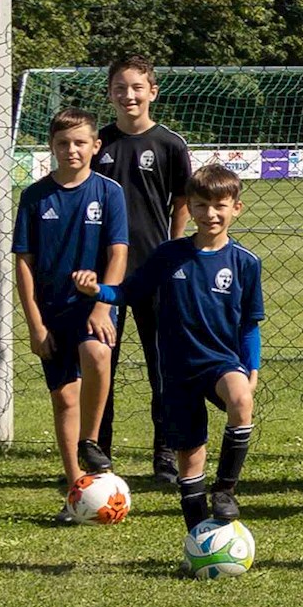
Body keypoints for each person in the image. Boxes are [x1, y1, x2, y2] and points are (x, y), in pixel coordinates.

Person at [126, 167, 264, 537]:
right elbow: (128, 291)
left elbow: (250, 324)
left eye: (219, 206)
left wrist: (252, 367)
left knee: (240, 399)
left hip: (221, 361)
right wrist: (97, 293)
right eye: (201, 206)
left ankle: (225, 489)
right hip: (177, 369)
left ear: (237, 208)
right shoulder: (169, 255)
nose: (210, 214)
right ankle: (199, 536)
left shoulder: (246, 263)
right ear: (189, 208)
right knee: (191, 457)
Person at [11, 110, 133, 521]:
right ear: (52, 147)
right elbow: (24, 264)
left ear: (95, 146)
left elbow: (119, 253)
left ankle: (92, 440)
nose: (72, 150)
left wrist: (103, 302)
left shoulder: (109, 192)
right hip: (51, 311)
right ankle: (75, 489)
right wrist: (35, 324)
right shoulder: (34, 196)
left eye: (80, 143)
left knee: (98, 355)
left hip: (92, 306)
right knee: (64, 397)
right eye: (63, 143)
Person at [89, 58, 198, 476]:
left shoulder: (169, 144)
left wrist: (170, 249)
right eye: (120, 87)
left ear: (152, 91)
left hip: (154, 272)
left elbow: (182, 200)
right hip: (105, 275)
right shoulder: (99, 143)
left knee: (163, 366)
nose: (128, 95)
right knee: (101, 363)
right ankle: (99, 452)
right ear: (110, 93)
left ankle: (165, 453)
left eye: (137, 87)